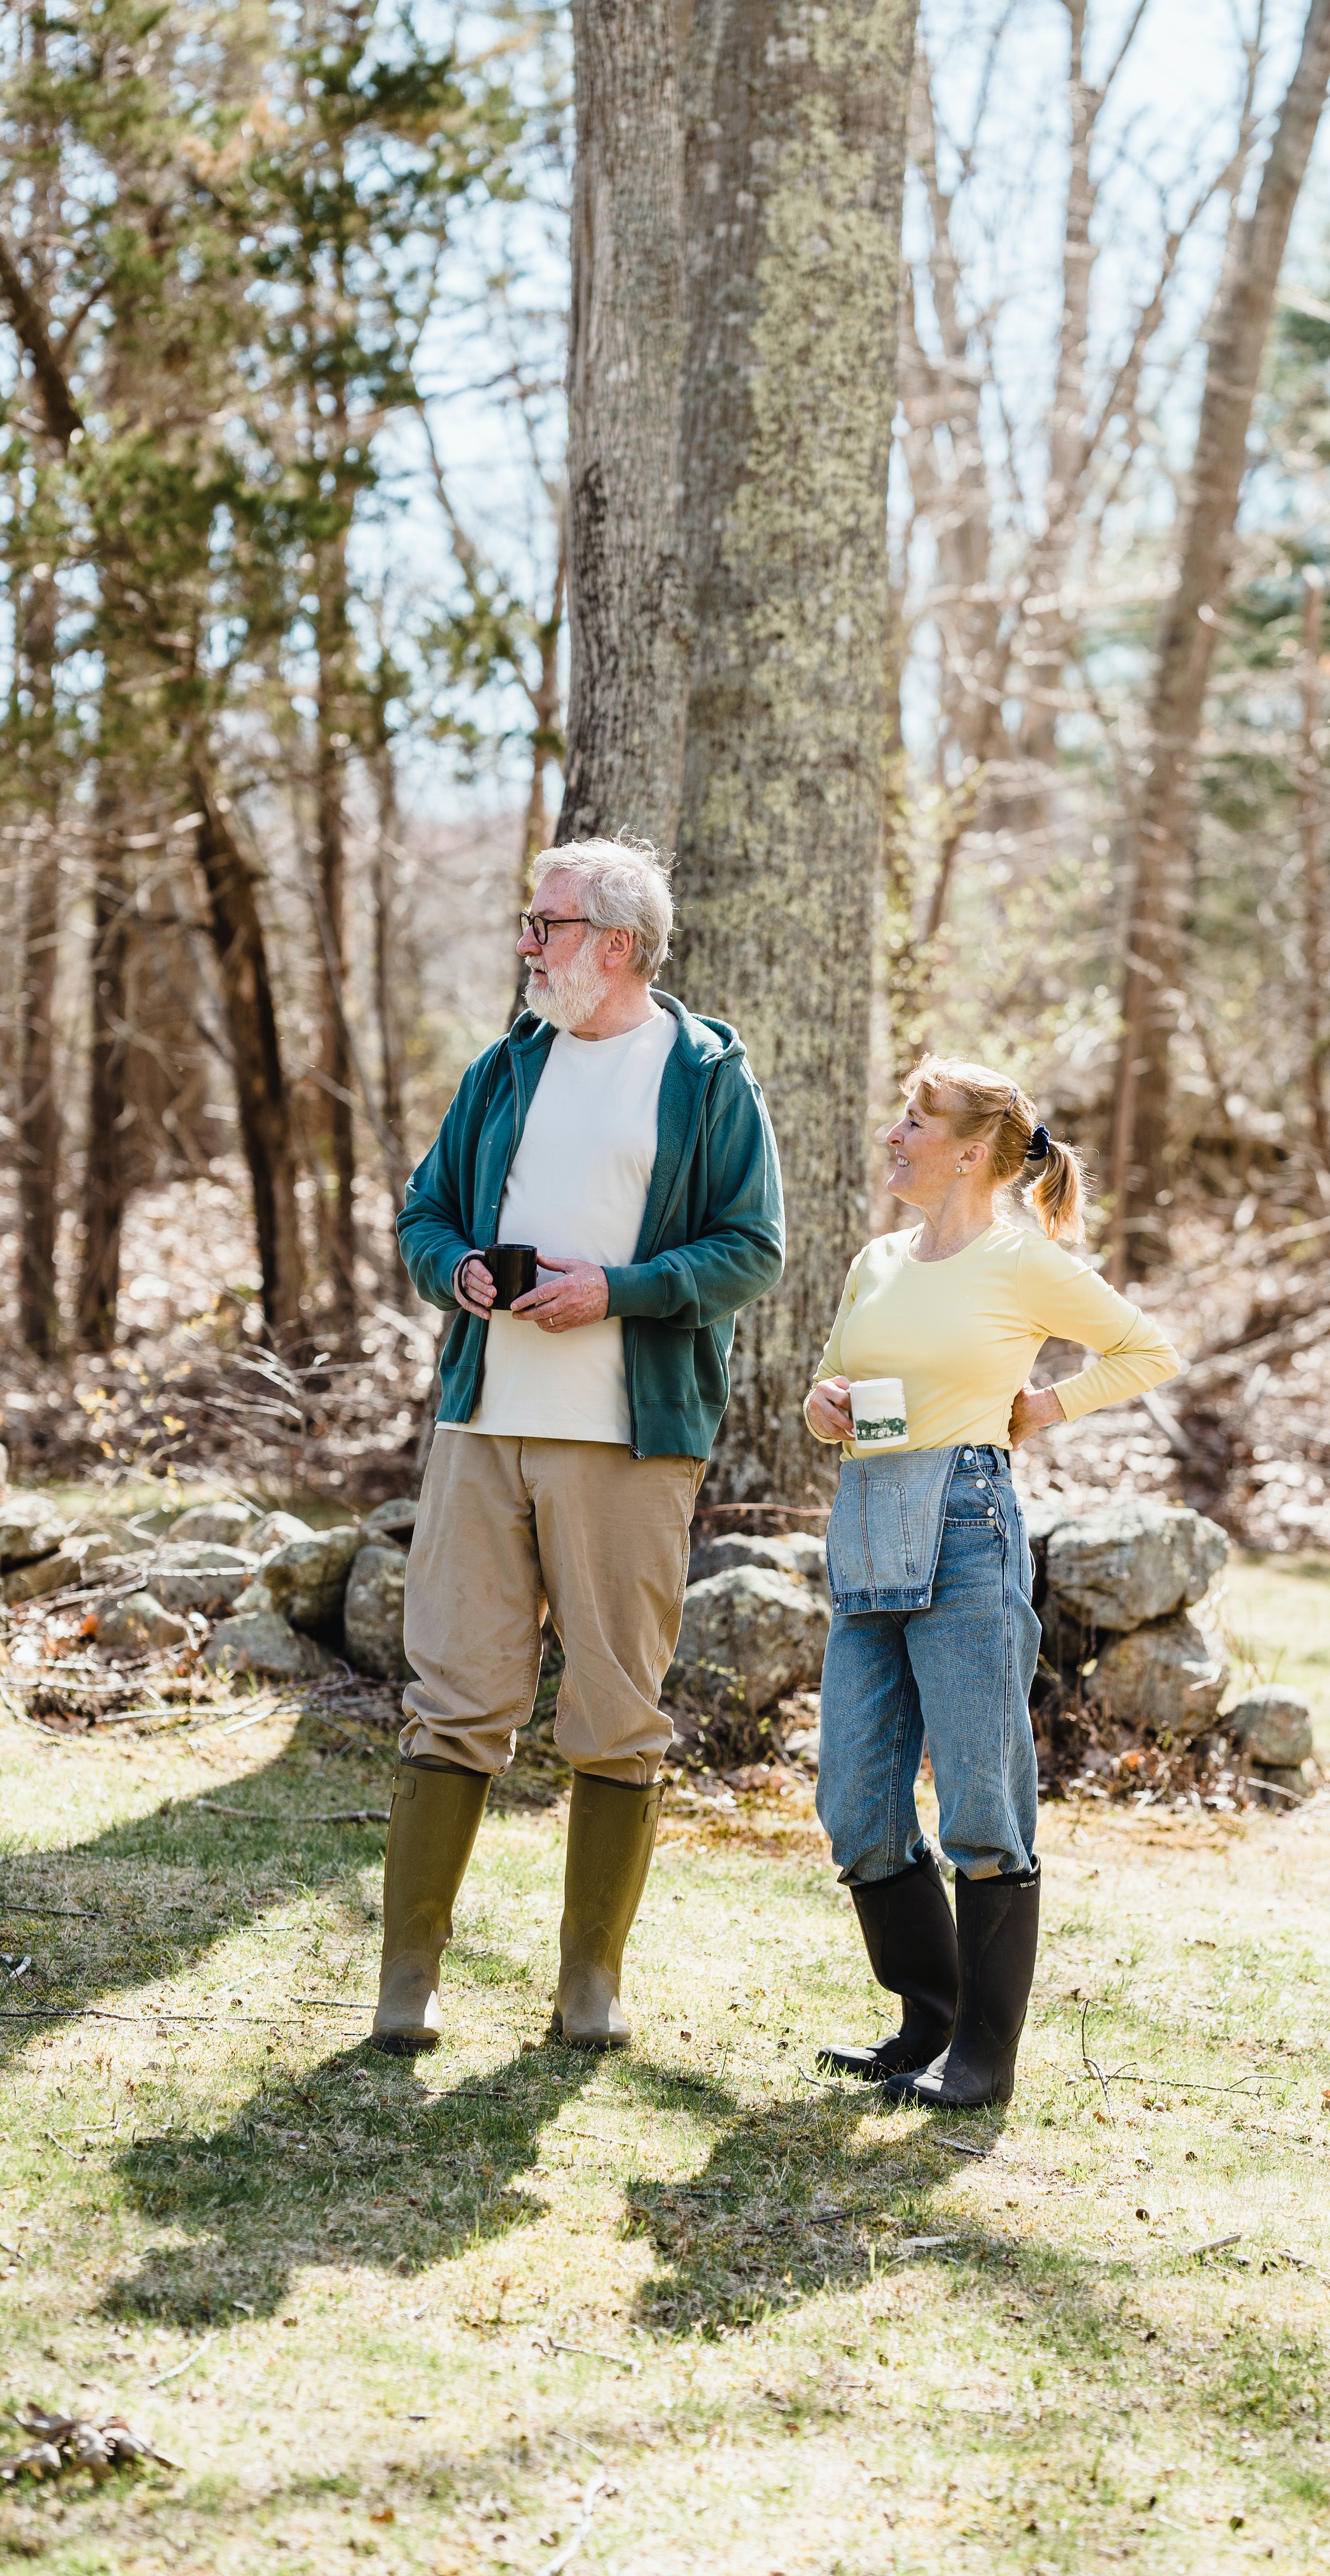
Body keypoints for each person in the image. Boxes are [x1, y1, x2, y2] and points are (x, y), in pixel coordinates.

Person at [374, 834, 784, 2057]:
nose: (525, 941)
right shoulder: (507, 1070)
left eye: (544, 923)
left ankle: (588, 1988)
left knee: (615, 1709)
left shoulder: (706, 1075)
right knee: (456, 1700)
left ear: (615, 945)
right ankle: (409, 1984)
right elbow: (424, 1208)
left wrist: (617, 1290)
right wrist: (451, 1266)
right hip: (482, 1425)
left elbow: (750, 1248)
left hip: (627, 1440)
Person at [804, 1058, 1180, 2110]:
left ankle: (981, 2058)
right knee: (855, 1799)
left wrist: (1045, 1408)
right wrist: (822, 1406)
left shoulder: (1020, 1264)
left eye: (914, 1121)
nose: (893, 1134)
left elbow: (1145, 1350)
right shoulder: (876, 1260)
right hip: (870, 1520)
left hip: (968, 1523)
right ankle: (926, 2018)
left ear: (971, 1151)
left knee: (980, 1796)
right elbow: (826, 1383)